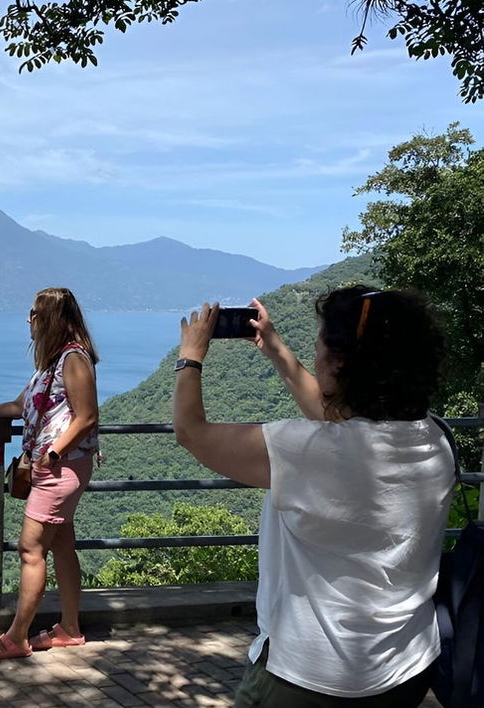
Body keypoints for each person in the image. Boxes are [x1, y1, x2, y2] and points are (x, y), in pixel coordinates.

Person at [172, 287, 455, 706]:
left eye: (319, 343)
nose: (316, 353)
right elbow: (339, 419)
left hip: (308, 677)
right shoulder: (436, 437)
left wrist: (189, 357)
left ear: (339, 361)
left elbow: (192, 432)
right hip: (407, 665)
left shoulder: (306, 450)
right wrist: (276, 350)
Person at [0, 286, 100, 660]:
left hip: (59, 468)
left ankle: (16, 637)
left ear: (48, 318)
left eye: (33, 314)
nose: (28, 321)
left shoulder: (74, 360)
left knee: (30, 549)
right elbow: (21, 405)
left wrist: (53, 452)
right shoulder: (52, 363)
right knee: (62, 545)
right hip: (54, 466)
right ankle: (70, 628)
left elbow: (87, 416)